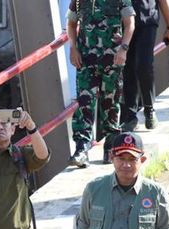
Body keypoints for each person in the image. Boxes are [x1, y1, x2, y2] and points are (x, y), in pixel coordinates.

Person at [67, 0, 135, 168]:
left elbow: (129, 23)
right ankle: (82, 149)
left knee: (111, 103)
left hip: (112, 59)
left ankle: (111, 145)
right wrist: (73, 48)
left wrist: (123, 49)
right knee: (84, 103)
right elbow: (71, 23)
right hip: (85, 60)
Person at [120, 0, 169, 131]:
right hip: (122, 22)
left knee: (144, 65)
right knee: (127, 68)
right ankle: (130, 115)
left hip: (147, 19)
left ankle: (149, 109)